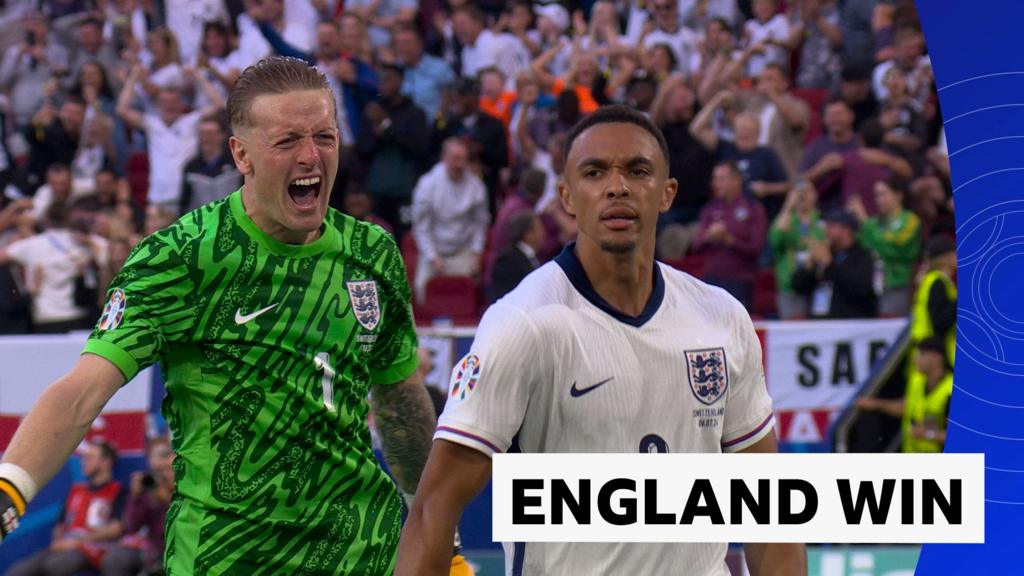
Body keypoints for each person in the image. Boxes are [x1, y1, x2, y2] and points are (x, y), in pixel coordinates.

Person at [0, 56, 446, 575]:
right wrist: (10, 487)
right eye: (287, 141)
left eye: (325, 137)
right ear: (241, 154)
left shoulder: (372, 253)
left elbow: (399, 403)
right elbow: (80, 393)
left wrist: (443, 540)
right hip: (227, 559)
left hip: (361, 555)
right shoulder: (181, 258)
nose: (311, 157)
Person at [395, 105, 806, 575]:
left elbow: (772, 515)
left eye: (638, 170)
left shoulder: (722, 318)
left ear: (668, 194)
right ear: (567, 196)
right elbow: (431, 512)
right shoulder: (523, 325)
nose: (617, 186)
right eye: (595, 172)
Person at [7, 440, 125, 576]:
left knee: (57, 565)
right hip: (66, 545)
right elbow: (61, 524)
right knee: (18, 571)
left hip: (95, 547)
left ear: (106, 462)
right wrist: (59, 541)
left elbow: (116, 528)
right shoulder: (77, 490)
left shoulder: (119, 491)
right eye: (83, 458)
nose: (83, 462)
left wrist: (78, 542)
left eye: (90, 458)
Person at [411, 138, 490, 303]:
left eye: (463, 159)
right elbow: (420, 227)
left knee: (472, 292)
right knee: (420, 289)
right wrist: (433, 257)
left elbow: (479, 224)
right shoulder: (427, 185)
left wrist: (476, 253)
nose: (459, 164)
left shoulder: (476, 186)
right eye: (455, 158)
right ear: (444, 157)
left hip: (463, 251)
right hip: (434, 251)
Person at [691, 161, 768, 312]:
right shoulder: (709, 209)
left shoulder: (754, 209)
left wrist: (729, 240)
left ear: (736, 181)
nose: (715, 184)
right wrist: (709, 236)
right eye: (714, 179)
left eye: (721, 179)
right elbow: (695, 246)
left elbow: (756, 248)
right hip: (712, 281)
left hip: (740, 282)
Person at [856, 336, 952, 453]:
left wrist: (928, 435)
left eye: (921, 354)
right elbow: (908, 406)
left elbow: (964, 437)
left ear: (936, 357)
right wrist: (876, 404)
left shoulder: (950, 390)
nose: (915, 359)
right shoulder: (917, 381)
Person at [101, 436, 175, 576]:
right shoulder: (149, 485)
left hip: (182, 549)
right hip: (154, 552)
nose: (163, 463)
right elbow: (131, 527)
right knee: (116, 560)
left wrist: (165, 499)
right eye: (158, 457)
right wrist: (135, 497)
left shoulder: (190, 484)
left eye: (167, 455)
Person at [849, 179, 921, 317]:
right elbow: (862, 246)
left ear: (898, 195)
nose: (878, 200)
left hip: (897, 285)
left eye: (883, 194)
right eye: (876, 195)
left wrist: (864, 220)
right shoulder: (875, 222)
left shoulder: (910, 221)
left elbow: (892, 248)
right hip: (873, 287)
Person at [791, 209, 878, 319]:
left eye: (831, 226)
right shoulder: (823, 253)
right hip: (819, 323)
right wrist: (809, 267)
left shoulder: (863, 256)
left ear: (846, 230)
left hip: (850, 322)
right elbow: (798, 287)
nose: (826, 230)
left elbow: (860, 289)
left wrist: (829, 264)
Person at [768, 180, 824, 320]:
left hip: (818, 287)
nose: (803, 195)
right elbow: (775, 240)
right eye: (799, 192)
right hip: (790, 289)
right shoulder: (786, 220)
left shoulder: (822, 220)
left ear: (815, 195)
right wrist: (788, 206)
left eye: (807, 191)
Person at [910, 235, 957, 367]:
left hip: (926, 353)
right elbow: (939, 322)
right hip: (933, 356)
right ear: (945, 257)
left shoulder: (933, 281)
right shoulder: (937, 282)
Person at [487, 209, 544, 303]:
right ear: (528, 234)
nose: (543, 234)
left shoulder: (532, 258)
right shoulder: (506, 261)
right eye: (539, 229)